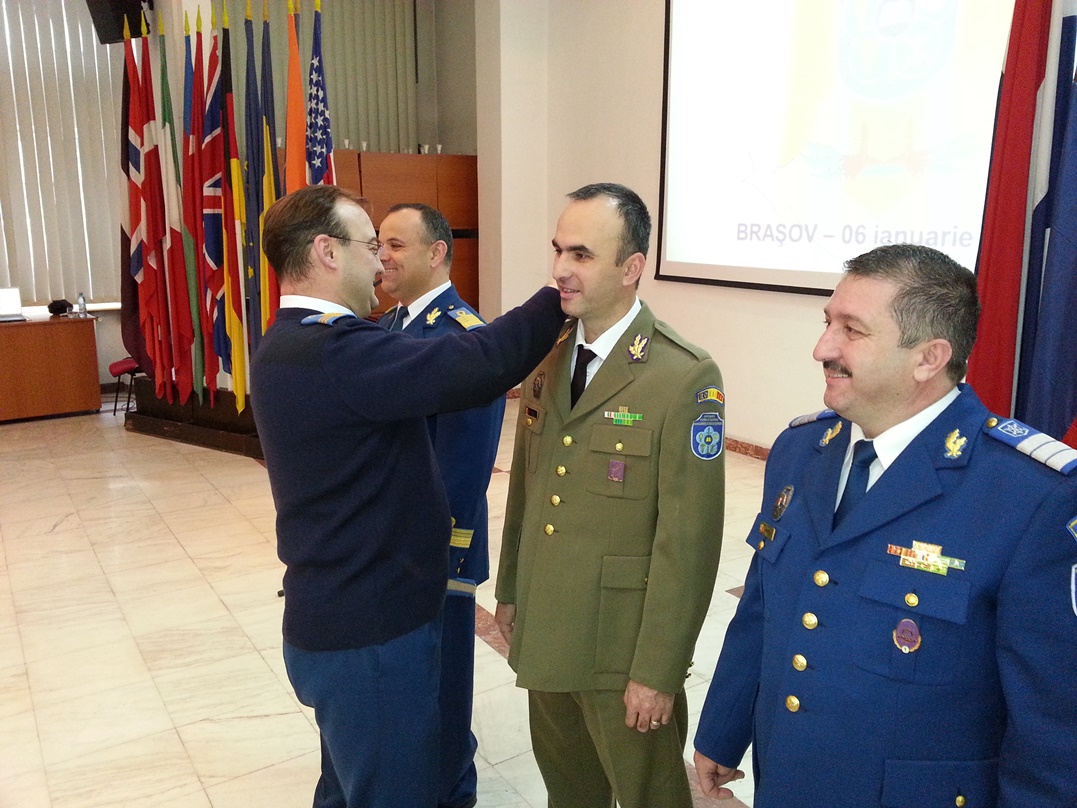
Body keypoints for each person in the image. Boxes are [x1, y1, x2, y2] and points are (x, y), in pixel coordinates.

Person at [694, 243, 1077, 807]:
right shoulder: (800, 450)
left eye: (852, 330)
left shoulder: (1029, 495)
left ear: (928, 358)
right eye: (828, 322)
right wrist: (722, 730)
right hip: (788, 780)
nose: (822, 348)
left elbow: (1052, 729)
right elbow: (762, 607)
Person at [250, 184, 567, 808]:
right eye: (370, 244)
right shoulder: (335, 351)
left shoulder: (286, 341)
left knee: (347, 786)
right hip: (369, 635)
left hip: (335, 619)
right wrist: (562, 292)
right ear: (328, 252)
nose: (380, 260)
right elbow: (479, 361)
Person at [494, 182, 726, 808]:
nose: (560, 269)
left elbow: (689, 543)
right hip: (549, 628)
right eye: (558, 250)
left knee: (650, 797)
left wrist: (658, 670)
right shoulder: (549, 355)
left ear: (631, 268)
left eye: (582, 254)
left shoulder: (682, 375)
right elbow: (527, 491)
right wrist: (511, 589)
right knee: (569, 793)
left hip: (622, 651)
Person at [376, 202, 505, 808]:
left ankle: (454, 793)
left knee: (443, 690)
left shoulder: (463, 337)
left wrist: (438, 557)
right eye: (378, 244)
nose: (382, 256)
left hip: (435, 554)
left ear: (436, 253)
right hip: (390, 548)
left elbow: (463, 471)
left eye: (396, 245)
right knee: (403, 687)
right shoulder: (386, 329)